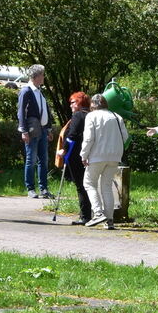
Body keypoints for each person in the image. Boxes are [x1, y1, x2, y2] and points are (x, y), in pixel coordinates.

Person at [81, 93, 128, 229]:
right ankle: (110, 220)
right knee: (106, 186)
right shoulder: (116, 116)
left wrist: (84, 155)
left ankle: (98, 213)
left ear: (93, 105)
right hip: (115, 156)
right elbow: (125, 137)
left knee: (89, 183)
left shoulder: (91, 116)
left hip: (97, 155)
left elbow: (88, 138)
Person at [17, 64, 53, 199]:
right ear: (36, 76)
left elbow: (45, 111)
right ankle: (30, 188)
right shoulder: (26, 91)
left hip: (43, 130)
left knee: (44, 160)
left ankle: (44, 189)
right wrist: (24, 131)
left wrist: (48, 128)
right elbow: (21, 112)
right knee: (31, 159)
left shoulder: (39, 91)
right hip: (32, 131)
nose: (44, 77)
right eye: (42, 75)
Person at [56, 92, 92, 224]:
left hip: (76, 154)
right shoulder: (90, 115)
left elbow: (72, 135)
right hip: (88, 154)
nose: (70, 105)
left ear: (80, 103)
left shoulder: (78, 116)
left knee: (80, 185)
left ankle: (85, 216)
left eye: (73, 102)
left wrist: (64, 149)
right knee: (88, 184)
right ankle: (89, 213)